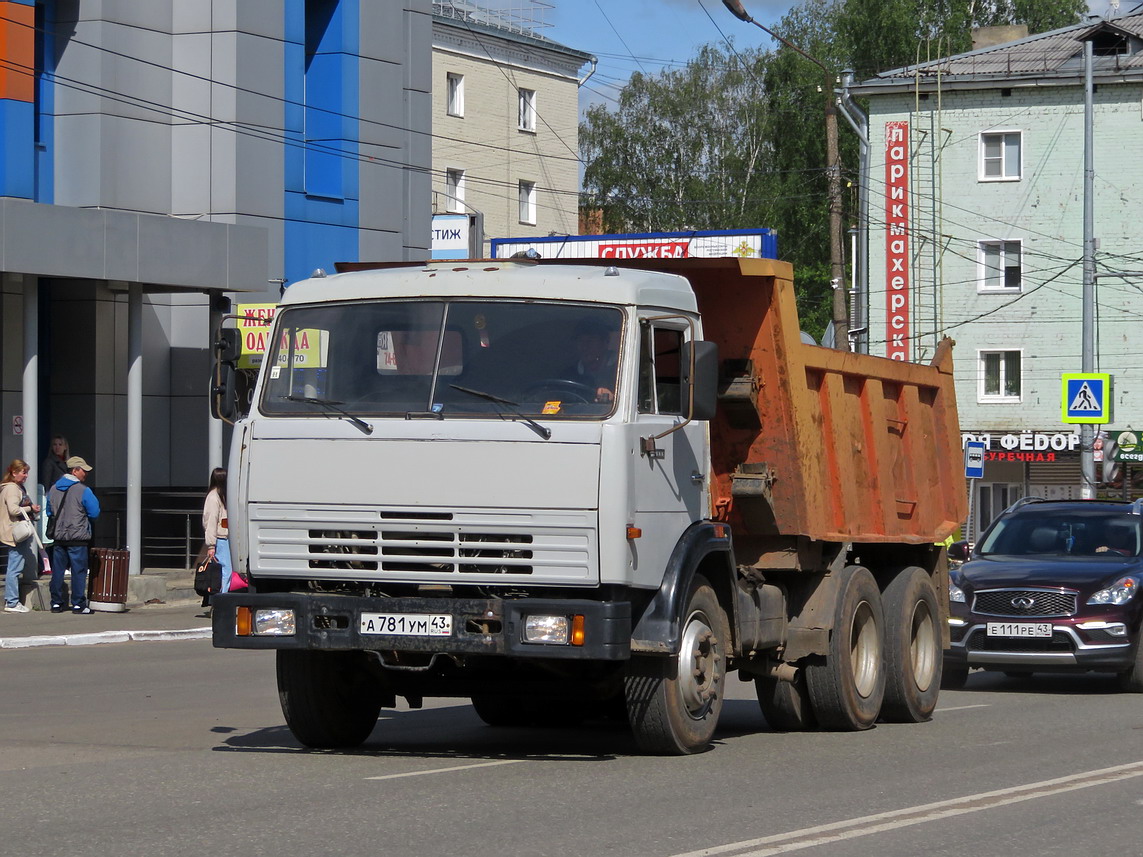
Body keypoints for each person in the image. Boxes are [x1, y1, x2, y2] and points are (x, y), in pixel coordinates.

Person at [46, 456, 100, 614]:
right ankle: (78, 604)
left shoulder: (54, 489)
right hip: (78, 537)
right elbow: (94, 512)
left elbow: (49, 512)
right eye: (83, 470)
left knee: (58, 570)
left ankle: (56, 603)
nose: (86, 474)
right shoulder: (83, 490)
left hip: (58, 537)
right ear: (75, 470)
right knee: (78, 571)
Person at [1, 459, 41, 614]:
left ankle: (12, 601)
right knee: (15, 567)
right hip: (15, 532)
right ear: (14, 472)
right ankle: (12, 602)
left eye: (26, 472)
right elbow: (13, 509)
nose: (26, 476)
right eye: (23, 472)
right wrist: (30, 508)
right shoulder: (12, 489)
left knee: (15, 566)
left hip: (13, 531)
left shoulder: (11, 487)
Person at [561, 320, 617, 403]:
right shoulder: (568, 375)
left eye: (590, 341)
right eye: (580, 341)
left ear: (605, 343)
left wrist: (613, 399)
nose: (584, 347)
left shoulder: (622, 369)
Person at [201, 467, 231, 615]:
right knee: (225, 572)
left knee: (226, 572)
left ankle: (220, 603)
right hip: (221, 539)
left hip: (224, 538)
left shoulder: (221, 495)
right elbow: (211, 521)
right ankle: (221, 604)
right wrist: (211, 544)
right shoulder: (215, 497)